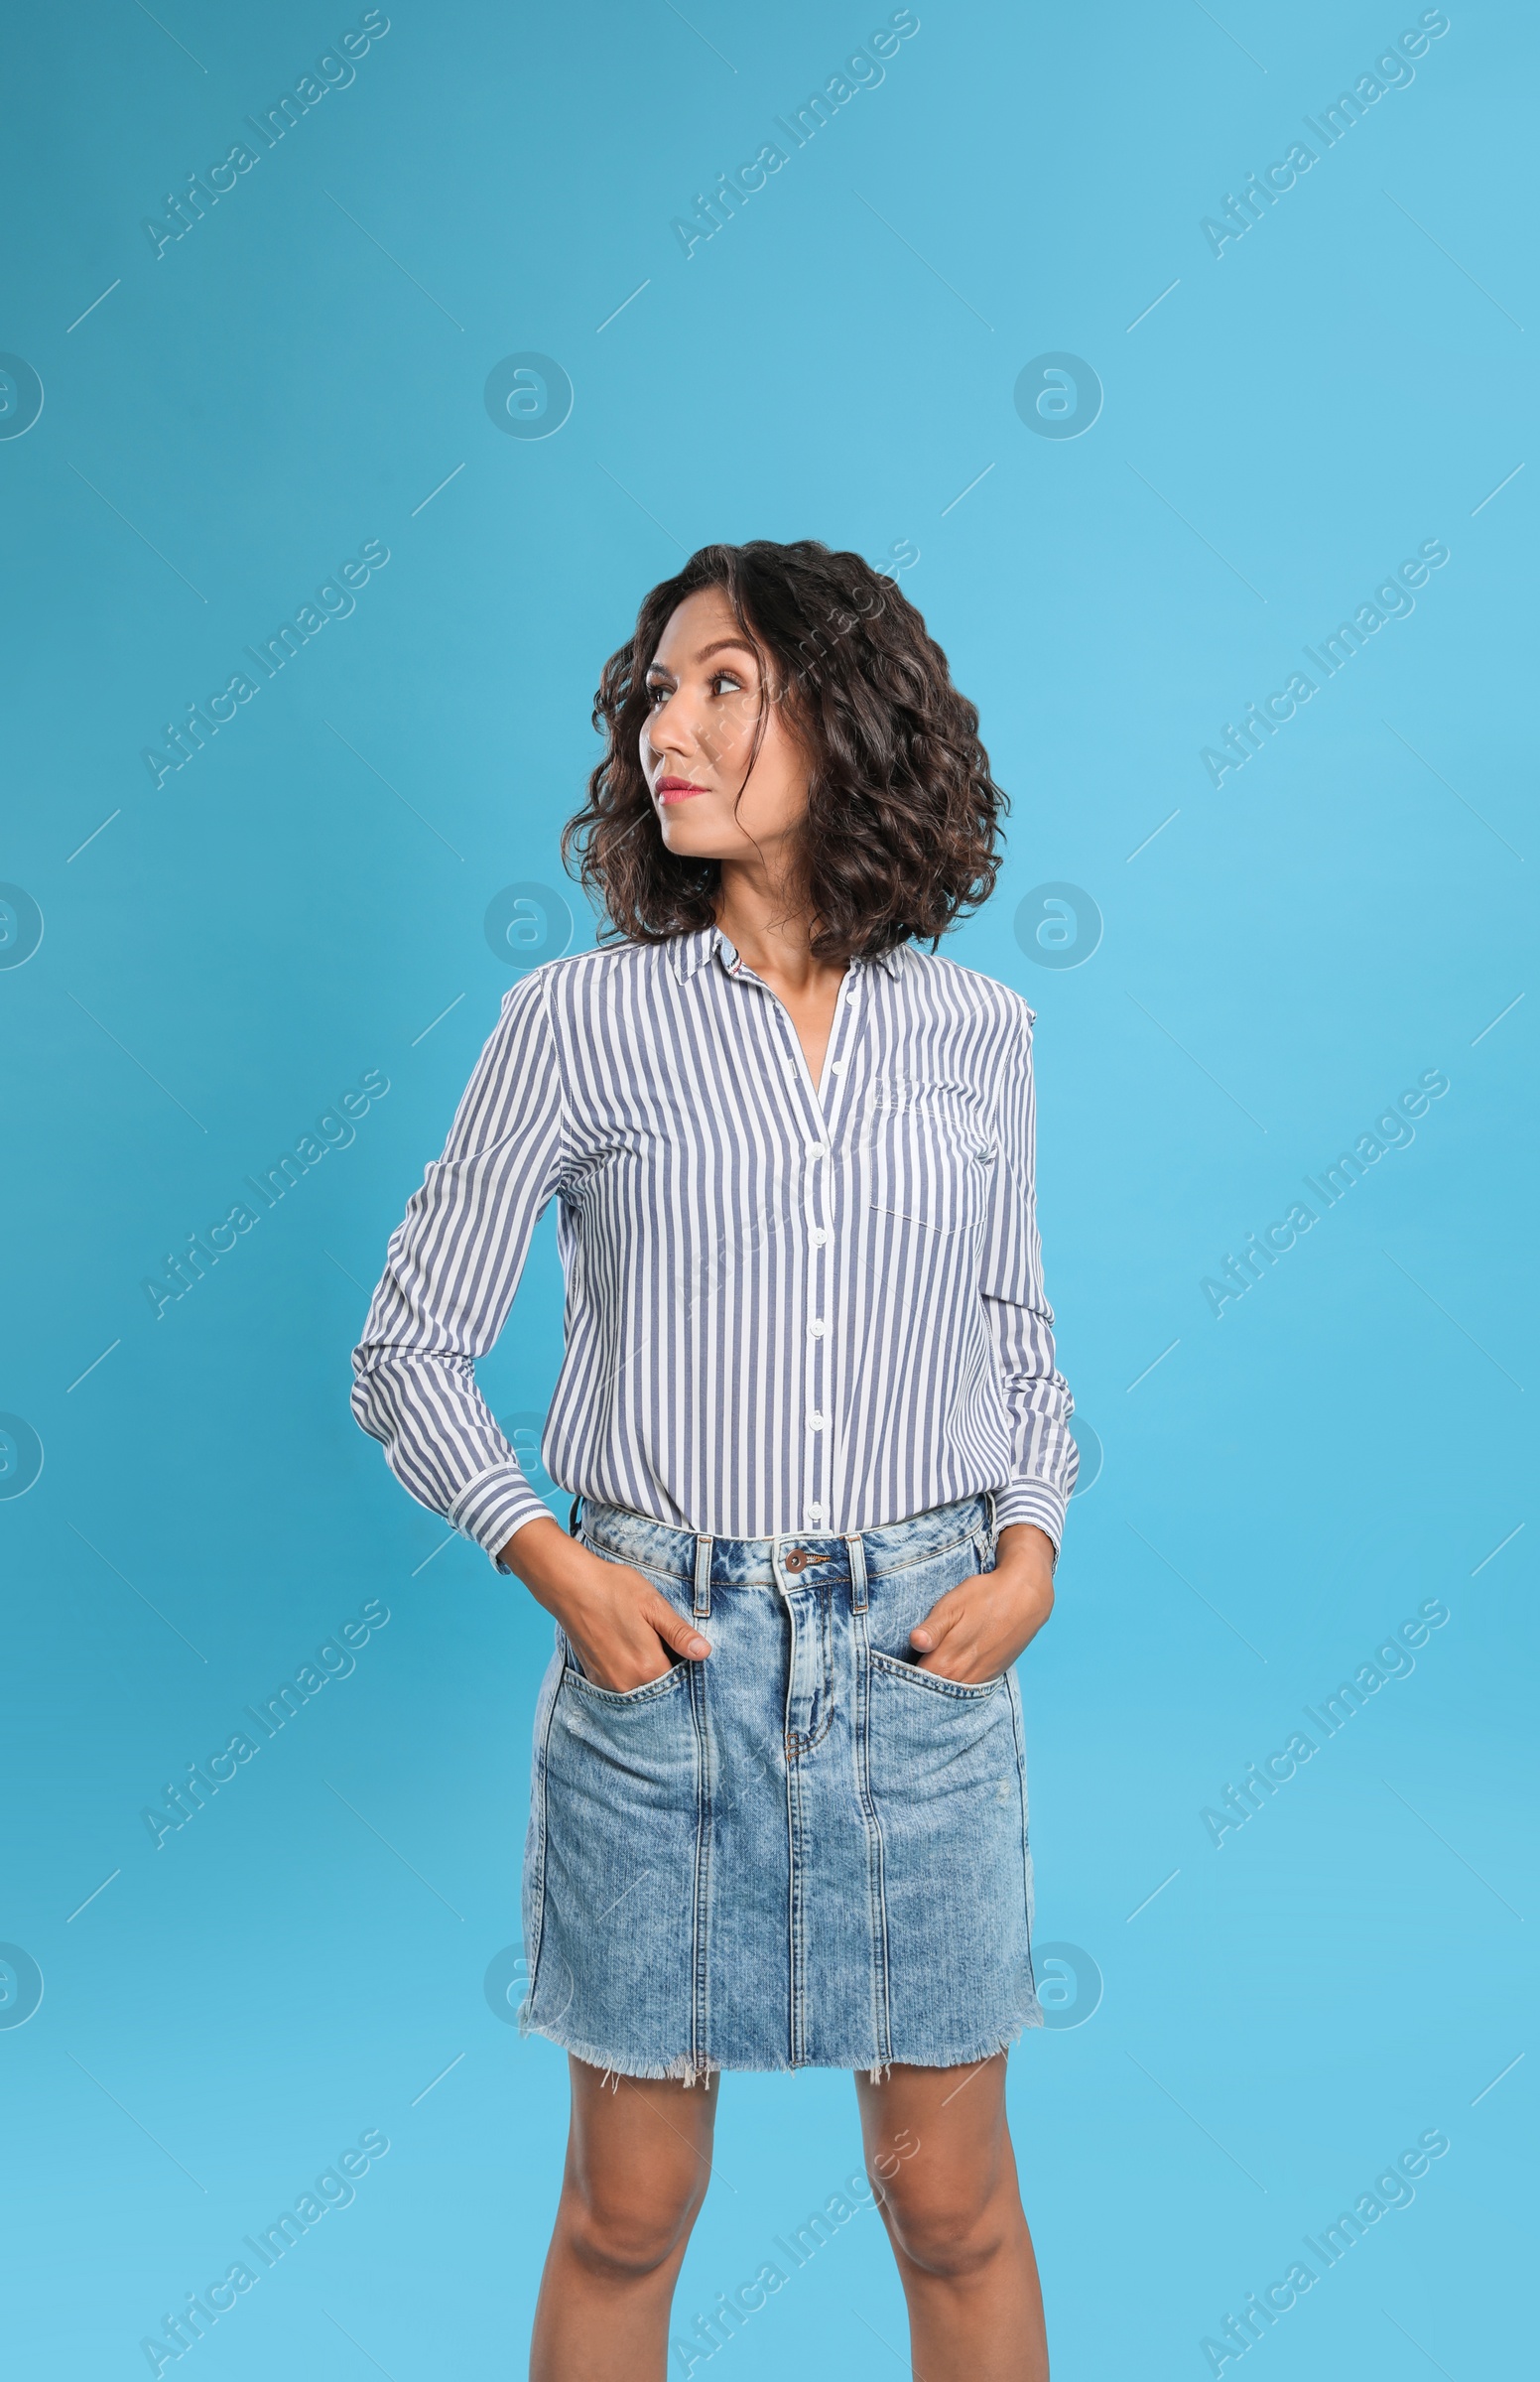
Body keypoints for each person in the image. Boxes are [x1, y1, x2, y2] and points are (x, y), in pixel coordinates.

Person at [351, 538, 1079, 2381]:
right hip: (658, 1668)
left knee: (955, 2210)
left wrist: (1032, 1552)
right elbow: (406, 1347)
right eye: (656, 692)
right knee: (625, 2216)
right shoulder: (577, 1020)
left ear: (849, 719)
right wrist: (555, 1561)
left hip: (922, 1669)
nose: (667, 725)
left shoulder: (976, 1034)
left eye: (723, 684)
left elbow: (1017, 1341)